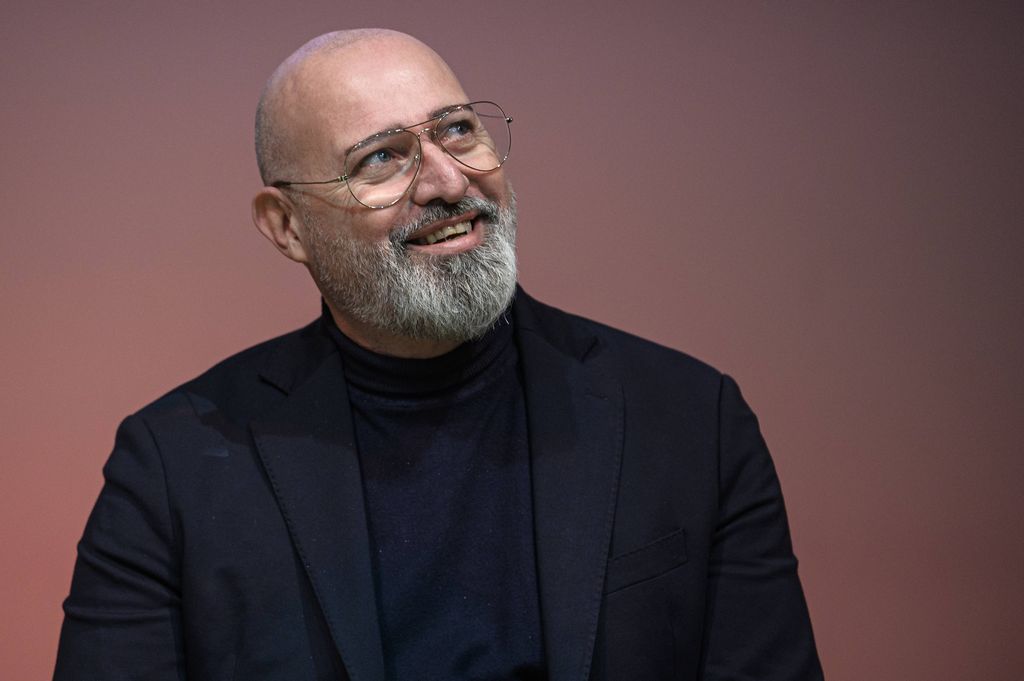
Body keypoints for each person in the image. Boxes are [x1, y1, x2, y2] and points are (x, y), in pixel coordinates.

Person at [54, 29, 824, 681]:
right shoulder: (173, 465)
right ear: (287, 227)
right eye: (381, 159)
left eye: (457, 130)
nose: (448, 181)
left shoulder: (689, 418)